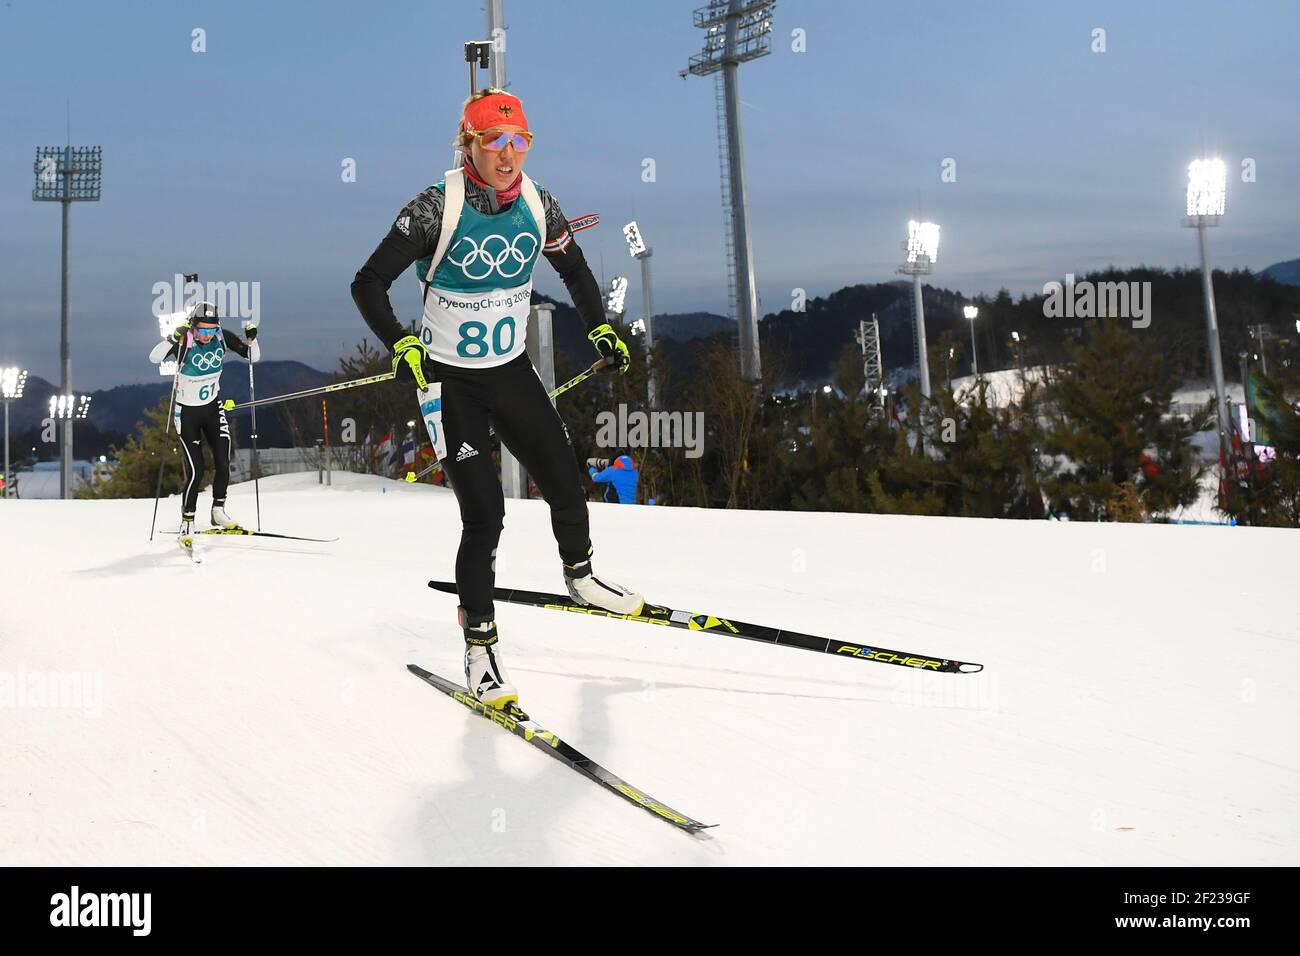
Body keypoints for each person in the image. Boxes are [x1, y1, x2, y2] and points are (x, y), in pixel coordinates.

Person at [351, 88, 642, 713]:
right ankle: (480, 648)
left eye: (520, 142)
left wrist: (599, 326)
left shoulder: (540, 203)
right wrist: (401, 343)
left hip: (510, 371)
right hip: (451, 384)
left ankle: (581, 575)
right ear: (469, 144)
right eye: (494, 142)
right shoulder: (436, 208)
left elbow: (577, 271)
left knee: (565, 479)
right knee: (484, 515)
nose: (508, 156)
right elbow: (368, 282)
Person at [149, 302, 260, 533]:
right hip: (187, 414)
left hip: (212, 409)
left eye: (212, 329)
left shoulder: (221, 337)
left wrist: (252, 339)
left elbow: (252, 357)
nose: (207, 335)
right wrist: (172, 338)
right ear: (193, 326)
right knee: (196, 469)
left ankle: (218, 512)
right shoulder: (185, 341)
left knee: (223, 460)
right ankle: (187, 518)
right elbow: (154, 357)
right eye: (203, 330)